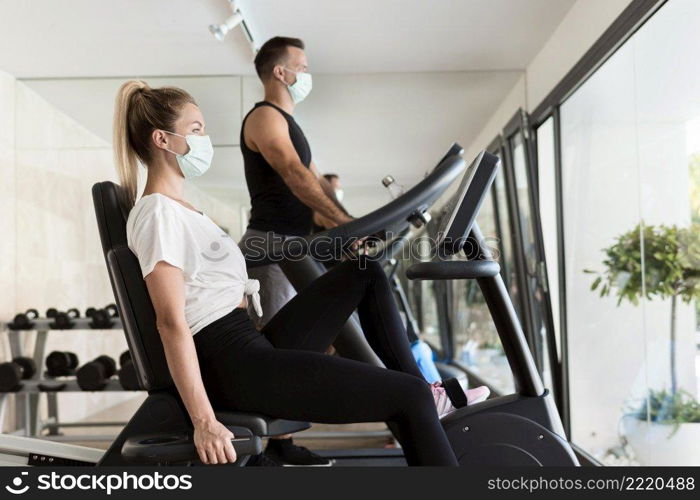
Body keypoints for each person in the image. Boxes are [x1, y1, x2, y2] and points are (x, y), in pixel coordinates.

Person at [114, 80, 492, 467]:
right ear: (162, 139)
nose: (205, 138)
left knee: (364, 273)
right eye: (196, 130)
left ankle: (431, 395)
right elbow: (170, 321)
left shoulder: (183, 208)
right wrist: (204, 421)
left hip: (248, 344)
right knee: (407, 398)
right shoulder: (158, 213)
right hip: (232, 365)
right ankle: (425, 401)